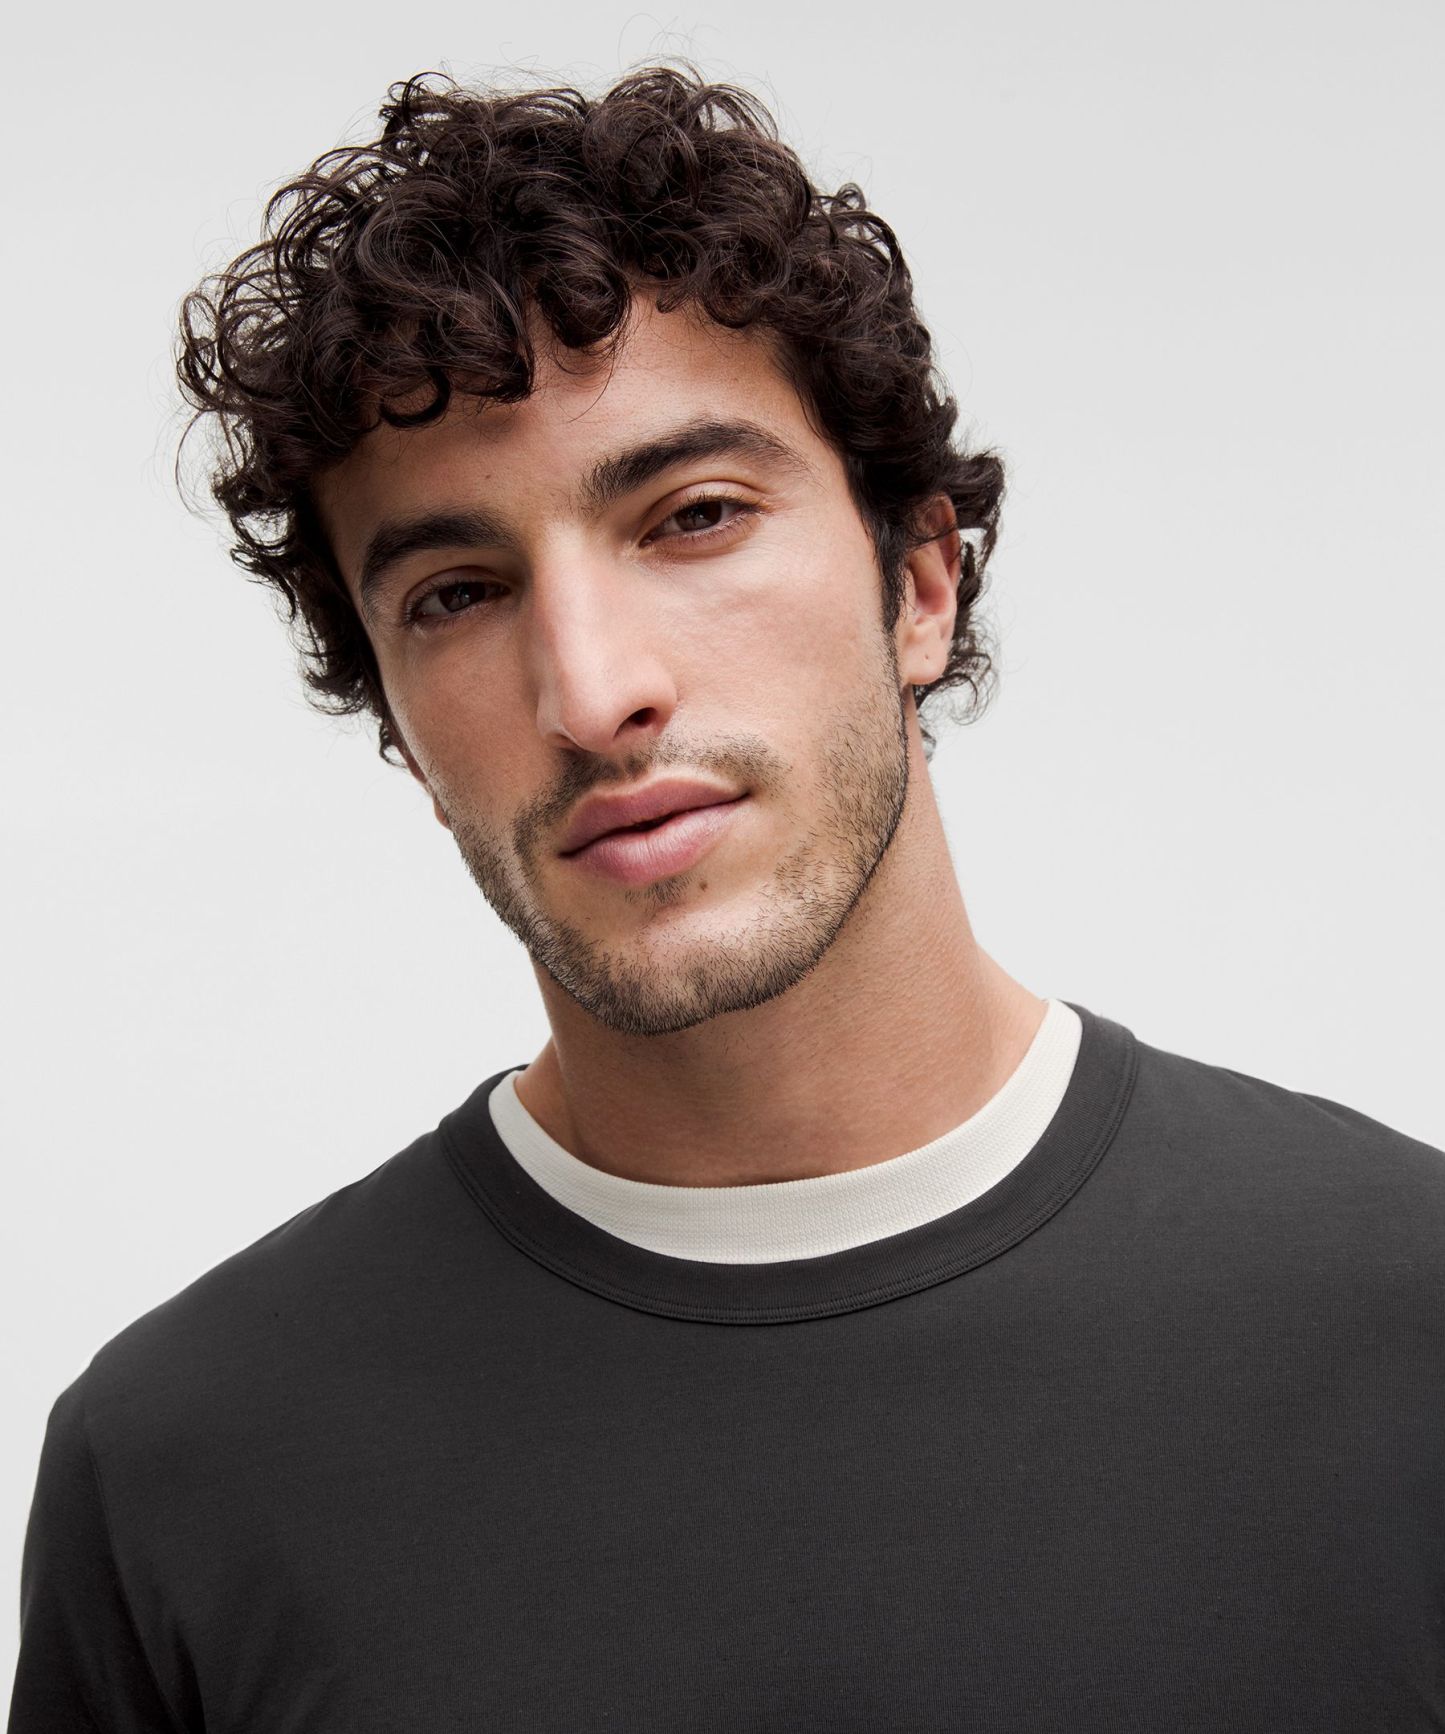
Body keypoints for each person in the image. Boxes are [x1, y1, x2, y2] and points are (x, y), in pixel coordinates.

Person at [9, 64, 1443, 1733]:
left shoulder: (1406, 1325)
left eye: (694, 516)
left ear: (919, 585)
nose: (591, 689)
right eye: (458, 592)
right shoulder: (185, 1469)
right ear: (397, 727)